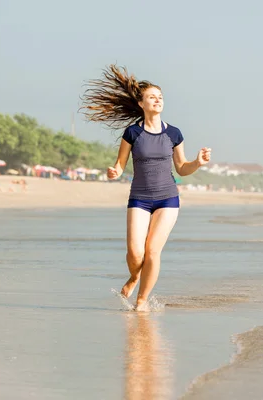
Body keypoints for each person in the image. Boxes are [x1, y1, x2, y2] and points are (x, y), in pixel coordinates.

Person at [81, 64, 212, 311]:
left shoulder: (173, 133)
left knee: (152, 252)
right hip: (139, 198)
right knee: (134, 254)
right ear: (141, 103)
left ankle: (142, 301)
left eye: (160, 97)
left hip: (167, 199)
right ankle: (134, 277)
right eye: (152, 97)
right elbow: (120, 165)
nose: (158, 100)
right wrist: (114, 172)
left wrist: (197, 162)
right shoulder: (132, 133)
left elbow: (182, 168)